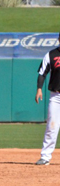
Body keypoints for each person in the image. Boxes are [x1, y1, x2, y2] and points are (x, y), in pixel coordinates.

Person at [34, 33, 60, 166]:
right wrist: (39, 89)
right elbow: (42, 72)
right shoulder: (51, 55)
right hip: (56, 97)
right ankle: (45, 157)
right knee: (52, 126)